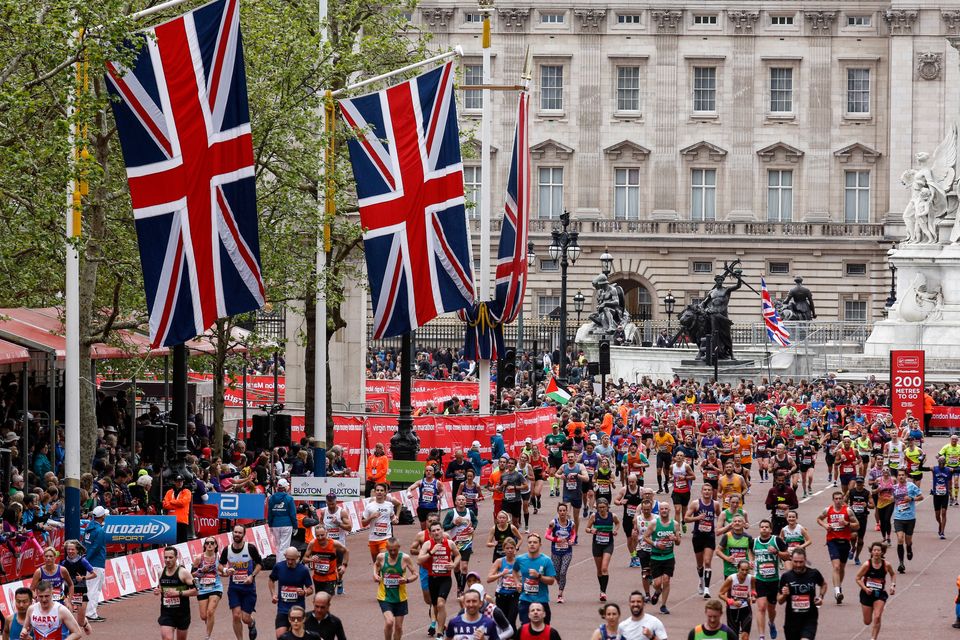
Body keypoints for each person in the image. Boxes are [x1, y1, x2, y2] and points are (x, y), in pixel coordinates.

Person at [219, 523, 263, 640]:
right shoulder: (227, 549)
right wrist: (226, 570)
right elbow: (220, 565)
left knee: (245, 618)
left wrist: (252, 576)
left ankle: (251, 623)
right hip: (234, 589)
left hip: (248, 588)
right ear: (232, 533)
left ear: (244, 534)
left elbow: (259, 564)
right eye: (235, 532)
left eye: (240, 532)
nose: (237, 534)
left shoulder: (250, 548)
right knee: (236, 616)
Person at [418, 522, 461, 636]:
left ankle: (440, 631)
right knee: (435, 606)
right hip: (432, 578)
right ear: (431, 533)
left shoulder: (450, 543)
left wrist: (454, 564)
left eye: (438, 530)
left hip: (445, 579)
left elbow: (458, 555)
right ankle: (439, 625)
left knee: (441, 603)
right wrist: (432, 552)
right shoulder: (428, 544)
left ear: (442, 530)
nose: (436, 532)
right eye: (434, 531)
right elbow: (419, 560)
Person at [816, 491, 858, 603]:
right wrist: (825, 525)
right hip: (832, 541)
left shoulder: (848, 511)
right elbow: (819, 519)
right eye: (836, 499)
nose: (838, 501)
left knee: (842, 568)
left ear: (843, 499)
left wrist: (847, 524)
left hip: (844, 541)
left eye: (840, 498)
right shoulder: (828, 510)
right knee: (836, 567)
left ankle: (838, 586)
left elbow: (857, 525)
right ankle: (837, 591)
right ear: (833, 499)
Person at [777, 548, 826, 640]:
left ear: (805, 560)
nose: (798, 565)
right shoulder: (786, 577)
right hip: (791, 621)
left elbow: (823, 584)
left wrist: (820, 597)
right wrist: (784, 595)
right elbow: (779, 600)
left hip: (809, 618)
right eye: (795, 562)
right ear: (791, 560)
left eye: (801, 562)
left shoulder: (814, 573)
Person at [374, 538, 417, 640]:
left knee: (398, 627)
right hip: (384, 597)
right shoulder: (381, 557)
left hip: (400, 598)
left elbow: (415, 574)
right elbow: (376, 565)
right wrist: (375, 575)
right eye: (390, 550)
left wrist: (406, 580)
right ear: (386, 548)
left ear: (399, 548)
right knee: (389, 622)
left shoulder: (405, 558)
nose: (393, 552)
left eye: (395, 550)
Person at [752, 520, 788, 640]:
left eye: (766, 527)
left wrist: (777, 552)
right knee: (761, 607)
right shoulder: (754, 542)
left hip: (773, 580)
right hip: (759, 579)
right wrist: (751, 561)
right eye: (762, 527)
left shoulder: (776, 541)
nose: (764, 529)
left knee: (771, 609)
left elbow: (787, 556)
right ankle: (762, 636)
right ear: (759, 529)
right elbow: (750, 552)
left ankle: (771, 623)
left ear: (770, 529)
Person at [645, 501, 681, 615]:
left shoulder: (675, 524)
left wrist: (675, 538)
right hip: (656, 557)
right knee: (657, 583)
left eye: (666, 508)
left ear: (669, 510)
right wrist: (656, 544)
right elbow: (645, 537)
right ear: (659, 511)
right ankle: (657, 591)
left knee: (666, 580)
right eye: (662, 509)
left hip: (669, 556)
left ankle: (663, 605)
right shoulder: (654, 523)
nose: (664, 510)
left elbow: (679, 542)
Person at [269, 547, 314, 639]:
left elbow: (311, 589)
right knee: (280, 636)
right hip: (283, 609)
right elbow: (271, 580)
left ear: (298, 557)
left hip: (298, 610)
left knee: (297, 636)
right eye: (288, 559)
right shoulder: (279, 567)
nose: (289, 562)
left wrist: (304, 592)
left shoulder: (303, 570)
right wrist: (273, 594)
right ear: (285, 556)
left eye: (292, 559)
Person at [854, 542, 896, 640]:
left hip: (879, 594)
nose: (876, 552)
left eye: (878, 550)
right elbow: (857, 578)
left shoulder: (886, 564)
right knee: (867, 621)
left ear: (882, 552)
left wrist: (892, 586)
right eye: (874, 550)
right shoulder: (867, 565)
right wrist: (865, 588)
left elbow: (893, 574)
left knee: (877, 616)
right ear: (871, 552)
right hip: (866, 594)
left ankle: (873, 638)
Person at [512, 533, 556, 625]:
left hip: (541, 600)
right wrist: (517, 583)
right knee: (526, 628)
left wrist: (539, 576)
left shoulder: (546, 560)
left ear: (540, 545)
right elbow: (514, 571)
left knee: (544, 629)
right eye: (530, 542)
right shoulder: (520, 559)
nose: (532, 544)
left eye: (535, 542)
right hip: (525, 600)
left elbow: (551, 581)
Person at [155, 546, 197, 640]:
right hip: (167, 613)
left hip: (182, 613)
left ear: (176, 558)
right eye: (165, 557)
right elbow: (162, 588)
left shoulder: (183, 573)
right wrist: (158, 590)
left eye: (170, 557)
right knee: (167, 638)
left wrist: (178, 593)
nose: (167, 560)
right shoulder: (161, 572)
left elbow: (196, 591)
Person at [685, 483, 718, 599]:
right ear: (701, 491)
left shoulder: (715, 504)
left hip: (709, 536)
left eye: (709, 490)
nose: (707, 492)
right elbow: (686, 518)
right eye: (705, 490)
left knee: (707, 561)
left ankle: (707, 589)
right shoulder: (696, 504)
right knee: (700, 564)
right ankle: (701, 580)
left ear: (712, 492)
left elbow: (720, 517)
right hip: (698, 536)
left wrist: (718, 527)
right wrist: (697, 518)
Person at [442, 494, 478, 596]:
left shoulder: (469, 512)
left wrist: (473, 528)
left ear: (465, 502)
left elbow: (475, 521)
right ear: (456, 502)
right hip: (454, 544)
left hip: (466, 543)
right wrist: (454, 524)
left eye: (463, 500)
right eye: (459, 500)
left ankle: (461, 590)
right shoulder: (451, 513)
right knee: (456, 567)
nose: (461, 501)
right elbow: (444, 527)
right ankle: (460, 585)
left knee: (465, 567)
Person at [586, 498, 620, 601]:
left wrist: (615, 530)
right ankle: (601, 590)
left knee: (604, 568)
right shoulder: (594, 516)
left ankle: (603, 592)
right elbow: (587, 528)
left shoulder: (612, 516)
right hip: (597, 545)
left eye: (603, 507)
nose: (601, 509)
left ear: (607, 507)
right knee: (599, 570)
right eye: (599, 507)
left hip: (608, 544)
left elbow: (618, 523)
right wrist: (591, 530)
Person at [891, 469, 923, 573]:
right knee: (900, 539)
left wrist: (912, 499)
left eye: (902, 475)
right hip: (898, 517)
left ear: (906, 476)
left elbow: (921, 497)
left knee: (908, 541)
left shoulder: (911, 486)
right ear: (897, 477)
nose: (901, 477)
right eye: (899, 475)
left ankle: (909, 548)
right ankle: (901, 563)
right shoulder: (894, 487)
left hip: (910, 518)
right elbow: (891, 498)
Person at [193, 536, 225, 640]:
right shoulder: (199, 558)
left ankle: (208, 636)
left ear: (216, 545)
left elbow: (221, 571)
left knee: (210, 611)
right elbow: (192, 574)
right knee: (203, 616)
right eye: (207, 543)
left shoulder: (218, 557)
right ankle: (209, 626)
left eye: (212, 543)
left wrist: (226, 572)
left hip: (216, 587)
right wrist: (202, 570)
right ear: (205, 545)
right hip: (202, 588)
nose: (209, 545)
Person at [59, 540, 94, 633]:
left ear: (77, 550)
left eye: (72, 549)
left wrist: (83, 578)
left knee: (80, 621)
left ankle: (85, 623)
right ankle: (71, 635)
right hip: (68, 592)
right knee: (68, 618)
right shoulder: (63, 563)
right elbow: (59, 575)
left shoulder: (83, 561)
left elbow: (94, 574)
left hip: (80, 591)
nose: (70, 551)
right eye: (68, 549)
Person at [543, 503, 575, 604]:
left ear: (567, 512)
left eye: (564, 510)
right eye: (560, 511)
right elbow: (546, 535)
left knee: (563, 572)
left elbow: (573, 534)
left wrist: (572, 540)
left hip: (567, 551)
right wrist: (556, 539)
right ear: (558, 512)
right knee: (556, 573)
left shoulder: (571, 524)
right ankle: (561, 582)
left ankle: (560, 594)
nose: (562, 512)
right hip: (556, 552)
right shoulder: (553, 523)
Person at [321, 493, 352, 596]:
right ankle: (329, 584)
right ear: (326, 502)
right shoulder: (323, 512)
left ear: (336, 502)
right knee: (326, 566)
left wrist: (338, 523)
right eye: (329, 504)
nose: (331, 506)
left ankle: (339, 582)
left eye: (333, 504)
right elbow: (320, 525)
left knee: (339, 567)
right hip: (327, 545)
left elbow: (349, 528)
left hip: (339, 544)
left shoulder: (341, 512)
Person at [304, 526, 349, 597]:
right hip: (317, 577)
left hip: (330, 577)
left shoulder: (334, 543)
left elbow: (346, 551)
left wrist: (344, 565)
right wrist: (310, 559)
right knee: (319, 599)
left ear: (326, 533)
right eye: (318, 536)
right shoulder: (312, 543)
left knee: (326, 598)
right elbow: (304, 559)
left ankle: (339, 582)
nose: (320, 538)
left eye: (322, 535)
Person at [488, 536, 521, 631]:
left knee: (511, 622)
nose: (510, 550)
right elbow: (489, 579)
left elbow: (526, 577)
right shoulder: (499, 562)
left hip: (515, 596)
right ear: (504, 549)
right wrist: (501, 574)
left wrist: (519, 582)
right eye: (507, 548)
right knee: (502, 623)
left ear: (515, 549)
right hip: (501, 596)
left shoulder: (520, 561)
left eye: (512, 548)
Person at [362, 484, 402, 561]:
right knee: (376, 563)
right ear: (374, 492)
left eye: (381, 490)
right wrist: (371, 517)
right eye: (377, 490)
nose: (379, 492)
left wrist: (395, 519)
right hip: (373, 538)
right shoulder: (369, 506)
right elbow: (363, 523)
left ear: (385, 493)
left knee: (383, 560)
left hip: (385, 537)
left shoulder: (389, 505)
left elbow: (392, 518)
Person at [81, 506, 107, 623]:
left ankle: (89, 612)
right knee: (95, 589)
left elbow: (85, 545)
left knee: (91, 588)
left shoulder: (89, 528)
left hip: (90, 561)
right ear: (102, 516)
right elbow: (96, 547)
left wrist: (85, 560)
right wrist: (86, 561)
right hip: (96, 563)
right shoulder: (100, 531)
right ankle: (91, 613)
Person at [718, 562, 754, 640]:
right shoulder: (731, 579)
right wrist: (732, 602)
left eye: (746, 570)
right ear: (738, 569)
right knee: (733, 637)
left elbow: (753, 590)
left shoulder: (751, 578)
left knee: (745, 637)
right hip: (732, 610)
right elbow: (720, 594)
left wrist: (754, 596)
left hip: (746, 609)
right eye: (742, 570)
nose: (744, 572)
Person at [557, 451, 589, 537]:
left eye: (572, 457)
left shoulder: (580, 467)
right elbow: (556, 474)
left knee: (576, 517)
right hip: (567, 494)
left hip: (577, 495)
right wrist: (560, 476)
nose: (570, 458)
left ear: (575, 458)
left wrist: (577, 475)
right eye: (569, 457)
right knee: (567, 514)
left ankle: (575, 534)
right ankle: (566, 533)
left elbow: (586, 478)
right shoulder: (564, 467)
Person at [616, 474, 645, 568]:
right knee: (629, 538)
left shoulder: (641, 490)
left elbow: (648, 502)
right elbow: (615, 501)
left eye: (633, 482)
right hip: (627, 519)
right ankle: (633, 556)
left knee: (635, 537)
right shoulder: (624, 490)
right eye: (629, 482)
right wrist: (620, 502)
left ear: (636, 481)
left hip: (638, 519)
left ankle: (636, 554)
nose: (631, 484)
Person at [846, 477, 874, 564]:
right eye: (857, 483)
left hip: (862, 518)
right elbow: (844, 501)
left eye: (860, 483)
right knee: (853, 536)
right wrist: (848, 508)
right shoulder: (851, 491)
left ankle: (857, 557)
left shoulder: (867, 493)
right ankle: (853, 547)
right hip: (853, 517)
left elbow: (873, 505)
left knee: (861, 540)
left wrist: (867, 505)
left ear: (863, 483)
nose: (859, 484)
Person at [410, 465, 445, 531]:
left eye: (430, 471)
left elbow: (443, 490)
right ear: (425, 472)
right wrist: (409, 492)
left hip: (432, 508)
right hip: (422, 508)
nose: (428, 472)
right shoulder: (421, 482)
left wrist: (440, 495)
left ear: (433, 472)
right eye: (427, 471)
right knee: (423, 529)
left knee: (432, 528)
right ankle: (425, 540)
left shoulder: (437, 483)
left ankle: (432, 540)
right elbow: (411, 487)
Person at [269, 479, 298, 554]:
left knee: (278, 546)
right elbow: (293, 514)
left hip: (275, 524)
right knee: (284, 547)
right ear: (285, 487)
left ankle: (278, 563)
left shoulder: (271, 498)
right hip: (287, 524)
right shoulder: (289, 498)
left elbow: (270, 513)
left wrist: (270, 525)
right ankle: (281, 564)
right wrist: (295, 526)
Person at [162, 474, 193, 544]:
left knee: (182, 543)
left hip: (182, 521)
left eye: (181, 481)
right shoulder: (169, 492)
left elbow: (183, 502)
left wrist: (171, 502)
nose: (179, 483)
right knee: (171, 543)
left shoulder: (187, 491)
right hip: (171, 521)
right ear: (174, 482)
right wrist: (177, 505)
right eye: (177, 481)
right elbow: (165, 504)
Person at [931, 455, 952, 539]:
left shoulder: (948, 470)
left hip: (945, 494)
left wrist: (950, 491)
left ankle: (942, 532)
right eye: (940, 462)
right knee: (937, 515)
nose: (941, 464)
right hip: (936, 494)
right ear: (938, 462)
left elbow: (950, 481)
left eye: (943, 462)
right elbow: (921, 468)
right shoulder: (934, 469)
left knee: (943, 512)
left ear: (945, 463)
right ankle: (939, 524)